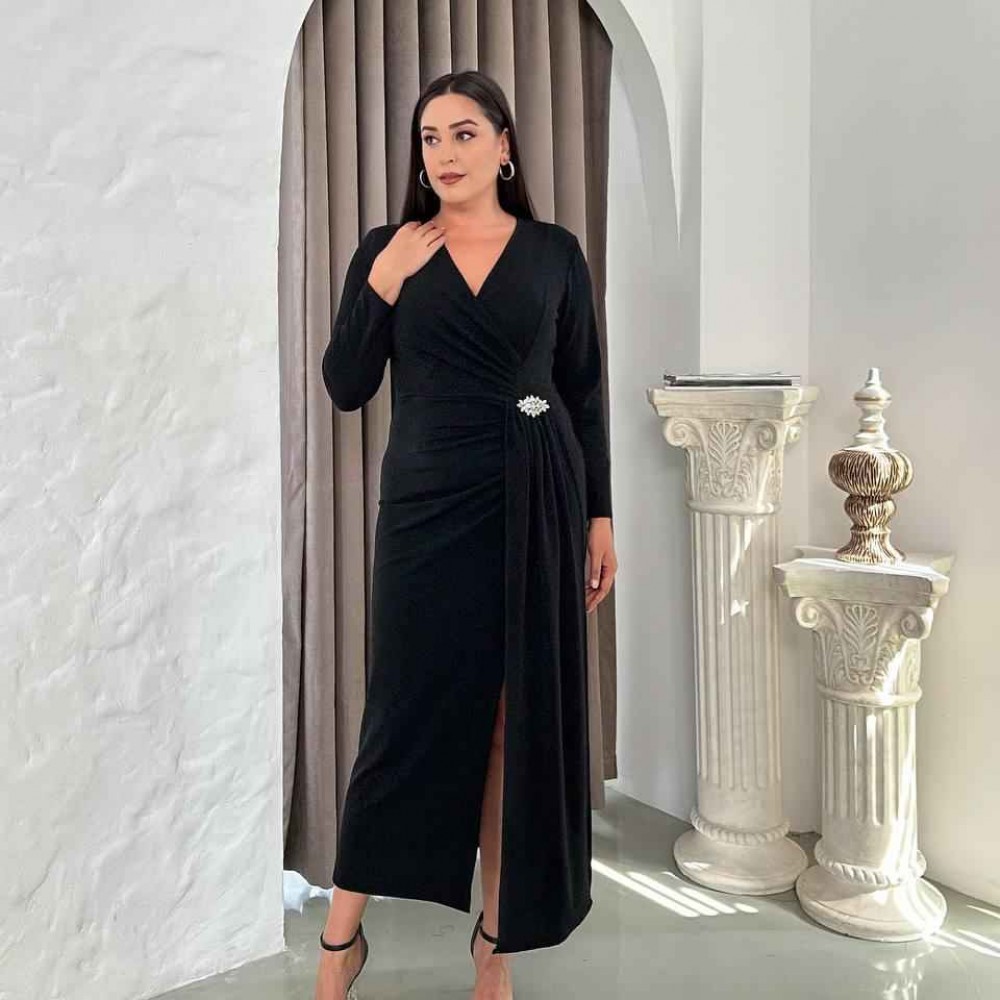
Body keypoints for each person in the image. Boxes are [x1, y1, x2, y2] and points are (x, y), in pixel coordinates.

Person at [315, 69, 618, 1000]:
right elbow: (346, 385)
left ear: (504, 146)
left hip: (537, 500)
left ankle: (496, 945)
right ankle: (339, 942)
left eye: (463, 133)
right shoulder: (391, 249)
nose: (444, 153)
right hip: (427, 505)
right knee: (402, 716)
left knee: (507, 729)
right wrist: (380, 286)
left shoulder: (555, 253)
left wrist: (600, 515)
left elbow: (583, 392)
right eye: (430, 138)